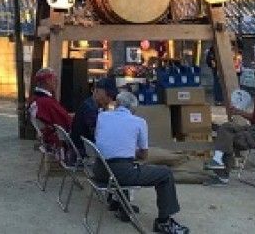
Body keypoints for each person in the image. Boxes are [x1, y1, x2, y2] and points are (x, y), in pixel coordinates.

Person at [94, 91, 189, 234]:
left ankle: (119, 204)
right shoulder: (139, 122)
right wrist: (130, 150)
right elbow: (144, 155)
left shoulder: (102, 116)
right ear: (133, 109)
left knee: (124, 161)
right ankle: (164, 222)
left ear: (117, 103)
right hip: (120, 174)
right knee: (165, 174)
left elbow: (104, 143)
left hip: (100, 170)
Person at [70, 77, 117, 155]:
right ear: (96, 91)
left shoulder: (89, 104)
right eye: (108, 95)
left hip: (81, 148)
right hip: (84, 151)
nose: (110, 99)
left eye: (112, 97)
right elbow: (97, 134)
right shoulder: (90, 109)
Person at [27, 67, 71, 149]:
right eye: (55, 79)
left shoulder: (35, 100)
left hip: (47, 139)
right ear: (48, 81)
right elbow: (66, 122)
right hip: (58, 142)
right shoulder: (46, 103)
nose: (57, 82)